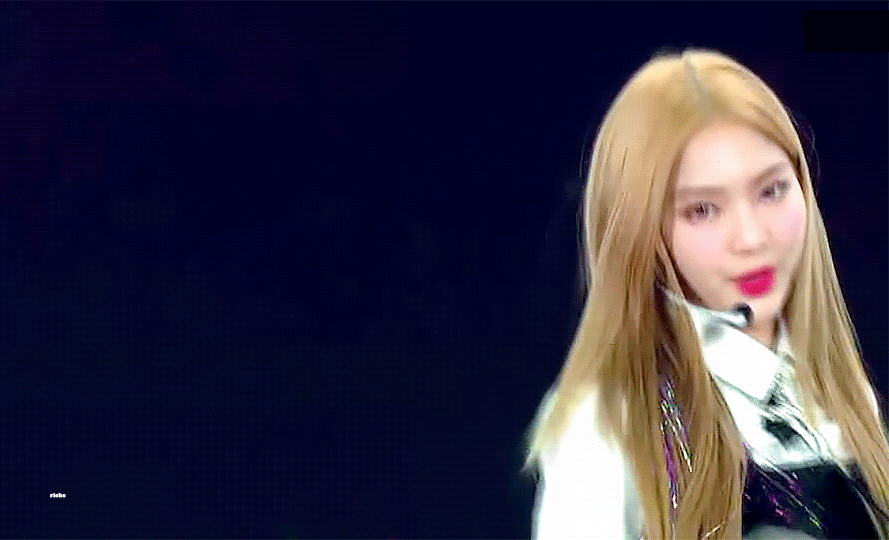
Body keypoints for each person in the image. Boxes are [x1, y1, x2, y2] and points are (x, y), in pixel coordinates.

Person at [522, 48, 889, 539]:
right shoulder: (607, 419)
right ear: (642, 233)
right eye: (702, 210)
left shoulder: (839, 392)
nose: (751, 238)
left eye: (772, 191)